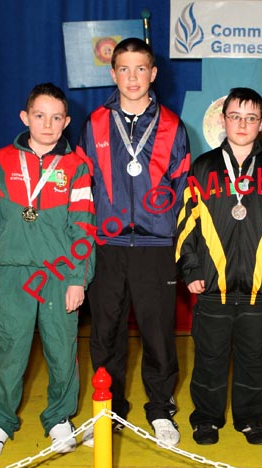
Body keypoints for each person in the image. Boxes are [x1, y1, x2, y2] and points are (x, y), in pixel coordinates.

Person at [77, 38, 190, 446]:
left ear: (153, 73)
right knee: (105, 333)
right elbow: (82, 188)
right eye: (123, 69)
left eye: (140, 68)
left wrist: (172, 238)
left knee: (158, 332)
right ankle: (108, 412)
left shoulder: (175, 126)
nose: (132, 77)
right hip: (106, 245)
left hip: (156, 246)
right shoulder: (93, 124)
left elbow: (182, 191)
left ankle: (161, 410)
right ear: (112, 74)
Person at [0, 83, 95, 457]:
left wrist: (78, 278)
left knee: (62, 350)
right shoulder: (1, 161)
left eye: (56, 117)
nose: (48, 124)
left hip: (58, 274)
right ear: (25, 117)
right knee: (9, 350)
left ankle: (59, 418)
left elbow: (84, 226)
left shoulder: (76, 166)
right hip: (12, 273)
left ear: (66, 121)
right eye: (40, 116)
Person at [176, 87, 262, 445]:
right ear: (222, 120)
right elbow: (187, 224)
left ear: (261, 124)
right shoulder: (203, 167)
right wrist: (192, 269)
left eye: (250, 118)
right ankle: (206, 418)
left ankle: (251, 418)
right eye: (235, 116)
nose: (242, 124)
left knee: (254, 360)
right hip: (213, 286)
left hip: (258, 288)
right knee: (209, 358)